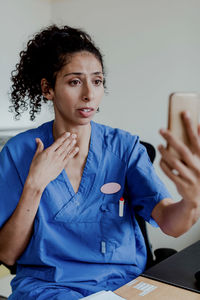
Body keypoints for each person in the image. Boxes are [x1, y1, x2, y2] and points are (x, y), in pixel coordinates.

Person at [0, 25, 199, 300]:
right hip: (47, 289)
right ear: (48, 88)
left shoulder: (124, 148)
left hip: (121, 287)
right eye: (74, 82)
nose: (88, 94)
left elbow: (171, 224)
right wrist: (35, 185)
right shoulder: (18, 152)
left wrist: (191, 200)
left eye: (97, 81)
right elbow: (7, 253)